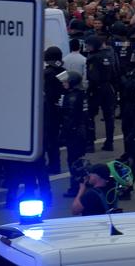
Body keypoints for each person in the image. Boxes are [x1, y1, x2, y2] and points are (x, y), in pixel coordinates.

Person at [57, 70, 88, 198]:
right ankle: (82, 185)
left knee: (73, 161)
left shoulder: (72, 97)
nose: (64, 83)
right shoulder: (82, 94)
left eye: (66, 81)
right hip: (82, 132)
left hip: (74, 133)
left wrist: (62, 135)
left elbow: (69, 117)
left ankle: (75, 187)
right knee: (79, 161)